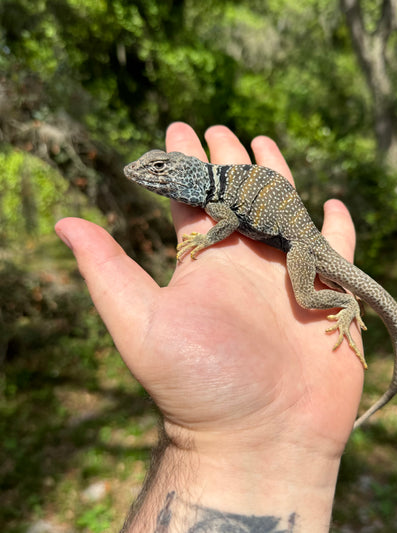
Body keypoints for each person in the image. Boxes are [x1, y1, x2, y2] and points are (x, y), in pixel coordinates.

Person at [55, 122, 365, 532]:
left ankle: (345, 301)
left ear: (186, 171)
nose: (148, 173)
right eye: (156, 168)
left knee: (306, 299)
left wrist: (203, 241)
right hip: (291, 232)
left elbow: (229, 222)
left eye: (162, 170)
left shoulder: (216, 203)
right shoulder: (212, 189)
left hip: (303, 245)